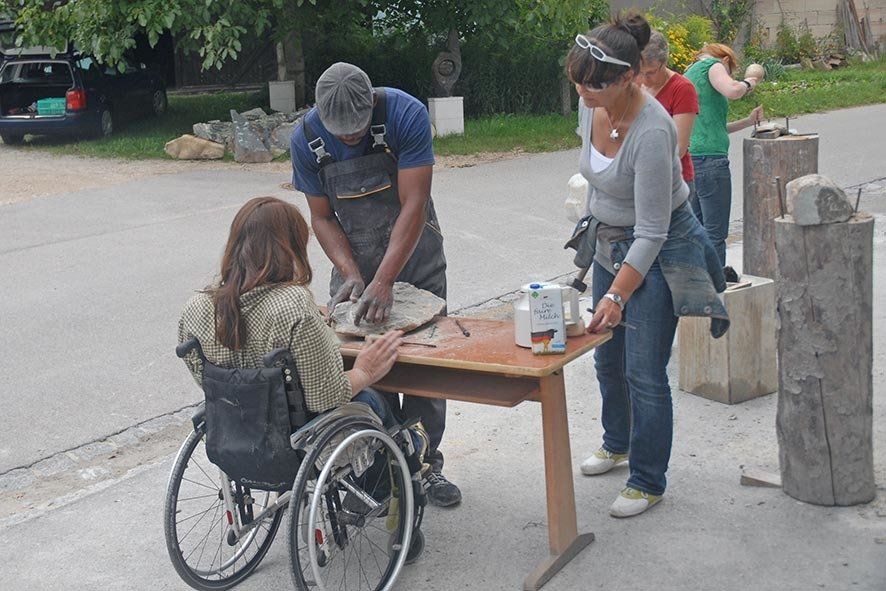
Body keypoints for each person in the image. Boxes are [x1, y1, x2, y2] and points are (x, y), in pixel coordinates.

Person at [565, 13, 729, 517]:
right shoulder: (588, 102)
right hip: (610, 242)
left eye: (593, 87)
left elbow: (654, 231)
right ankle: (617, 442)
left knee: (644, 370)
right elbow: (596, 177)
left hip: (659, 248)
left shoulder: (655, 130)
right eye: (580, 86)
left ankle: (648, 479)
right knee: (605, 357)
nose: (584, 95)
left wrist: (618, 295)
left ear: (627, 77)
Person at [290, 62, 461, 507]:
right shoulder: (305, 139)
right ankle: (379, 475)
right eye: (339, 130)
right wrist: (352, 273)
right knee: (361, 368)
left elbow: (415, 202)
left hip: (415, 253)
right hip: (353, 259)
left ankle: (425, 469)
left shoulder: (403, 114)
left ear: (371, 104)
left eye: (357, 128)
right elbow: (323, 217)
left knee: (425, 369)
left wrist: (385, 279)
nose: (349, 137)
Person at [177, 196, 416, 444]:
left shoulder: (196, 307)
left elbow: (210, 382)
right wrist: (365, 370)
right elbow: (324, 398)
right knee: (369, 399)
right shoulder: (291, 304)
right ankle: (410, 452)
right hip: (291, 440)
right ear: (289, 248)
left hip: (238, 431)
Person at [684, 43, 764, 269]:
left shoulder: (689, 73)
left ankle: (698, 285)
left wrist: (748, 122)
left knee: (696, 230)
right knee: (715, 233)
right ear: (726, 60)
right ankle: (717, 288)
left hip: (692, 161)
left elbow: (715, 127)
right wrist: (750, 82)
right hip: (711, 163)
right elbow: (733, 90)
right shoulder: (713, 65)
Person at [639, 30, 699, 200]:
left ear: (664, 62)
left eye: (650, 72)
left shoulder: (682, 88)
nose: (644, 79)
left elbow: (679, 147)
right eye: (640, 72)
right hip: (640, 179)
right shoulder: (636, 84)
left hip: (673, 181)